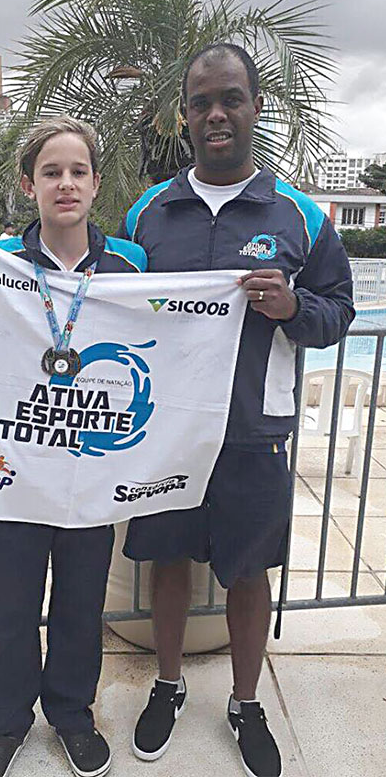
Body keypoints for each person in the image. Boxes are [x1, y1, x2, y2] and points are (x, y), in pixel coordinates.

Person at [118, 44, 355, 777]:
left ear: (256, 106)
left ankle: (246, 703)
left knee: (249, 571)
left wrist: (292, 308)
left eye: (230, 99)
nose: (215, 114)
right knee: (166, 562)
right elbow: (113, 305)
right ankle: (167, 686)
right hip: (166, 431)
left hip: (255, 431)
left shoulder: (300, 216)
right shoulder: (149, 213)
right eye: (201, 103)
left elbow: (339, 311)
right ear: (184, 117)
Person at [0, 116, 147, 777]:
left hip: (90, 475)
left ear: (95, 184)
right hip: (12, 472)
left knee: (80, 607)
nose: (65, 183)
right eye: (51, 172)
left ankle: (72, 715)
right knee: (7, 608)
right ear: (28, 184)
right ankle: (4, 725)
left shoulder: (129, 267)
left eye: (78, 171)